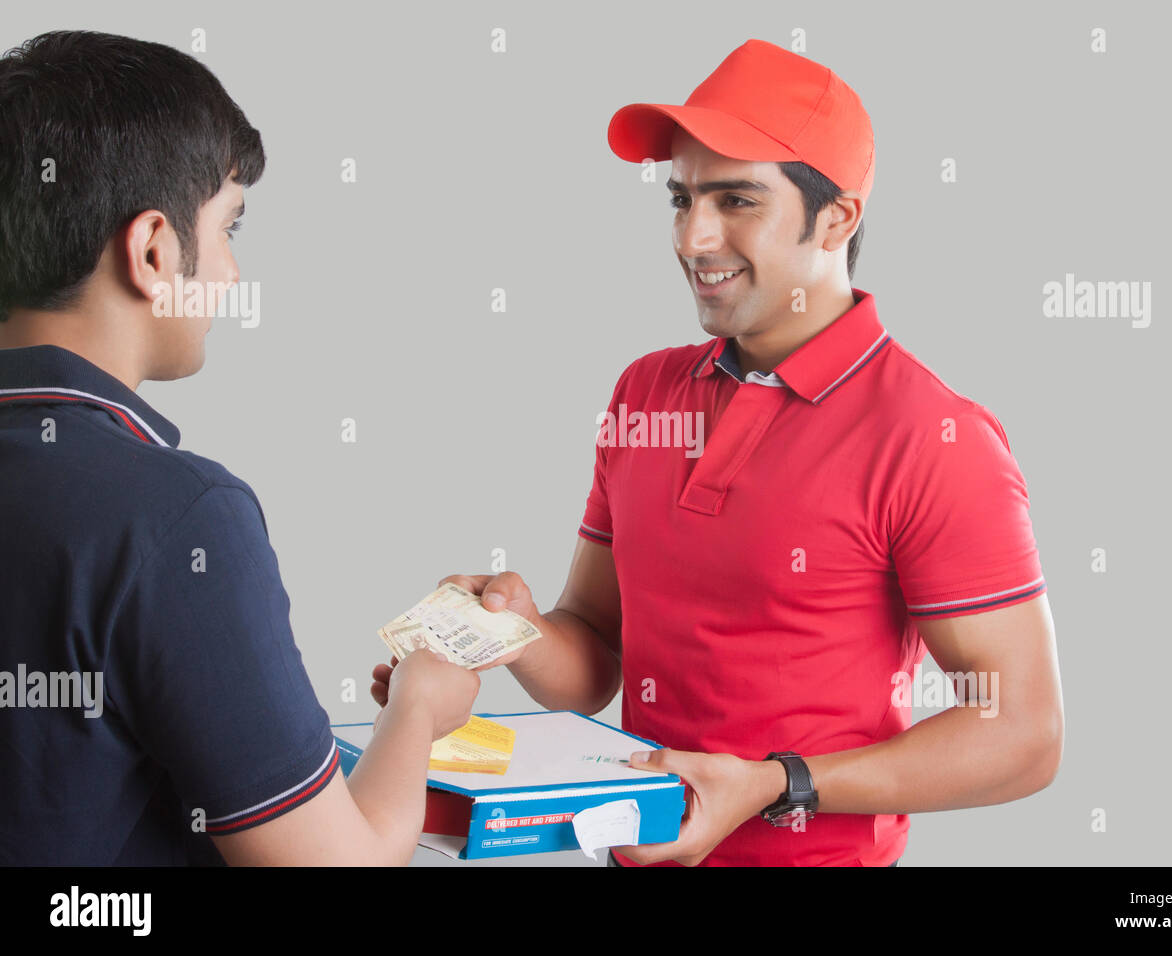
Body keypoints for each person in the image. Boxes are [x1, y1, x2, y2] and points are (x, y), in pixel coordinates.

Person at [426, 39, 1064, 867]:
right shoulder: (644, 394)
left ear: (837, 218)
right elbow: (596, 656)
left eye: (736, 200)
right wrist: (517, 636)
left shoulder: (935, 438)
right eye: (681, 198)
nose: (694, 237)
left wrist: (774, 784)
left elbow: (1024, 734)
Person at [0, 30, 479, 865]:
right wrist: (418, 708)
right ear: (153, 250)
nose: (226, 273)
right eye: (228, 227)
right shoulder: (177, 518)